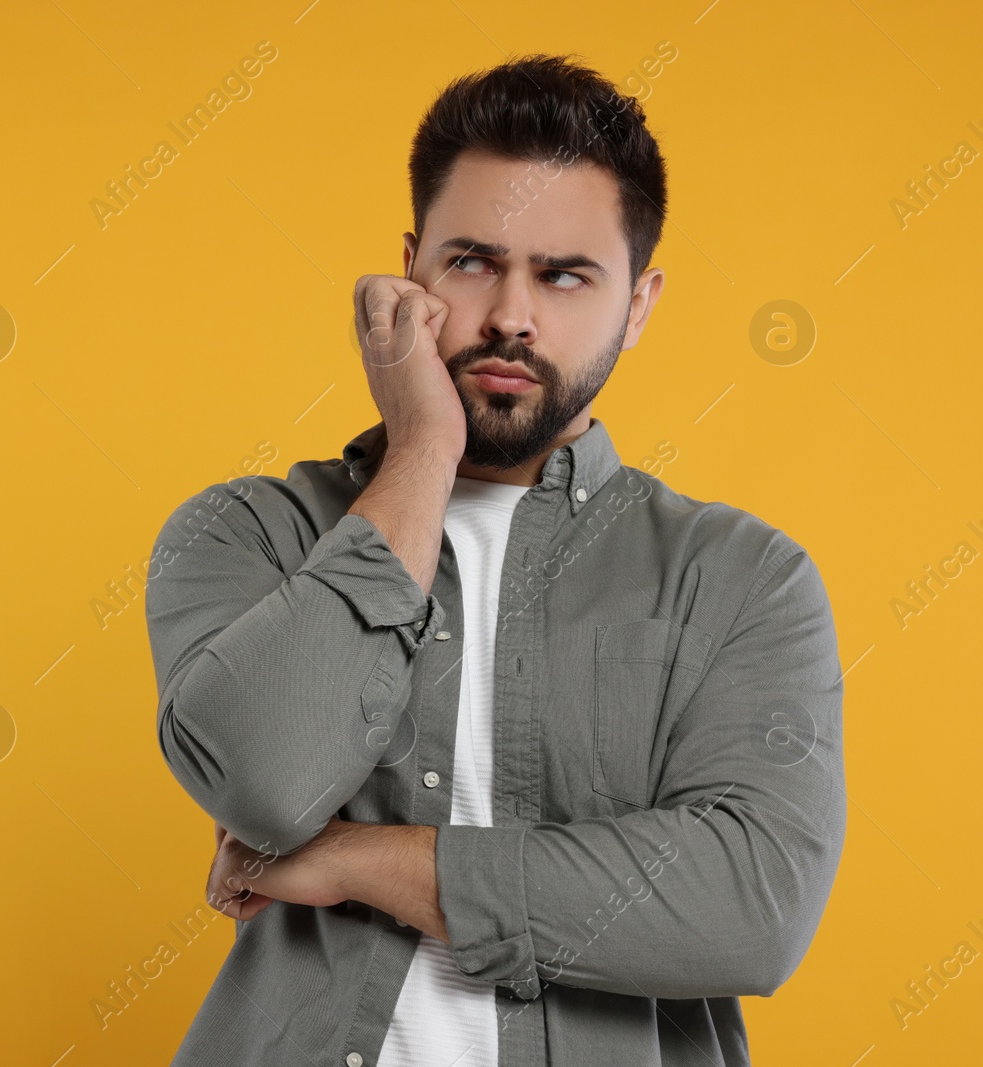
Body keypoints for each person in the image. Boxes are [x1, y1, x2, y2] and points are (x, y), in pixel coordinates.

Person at [143, 53, 845, 1067]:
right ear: (410, 268)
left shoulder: (738, 578)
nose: (512, 313)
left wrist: (354, 858)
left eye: (564, 275)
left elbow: (749, 905)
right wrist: (422, 447)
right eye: (472, 260)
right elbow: (263, 783)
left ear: (638, 306)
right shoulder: (246, 531)